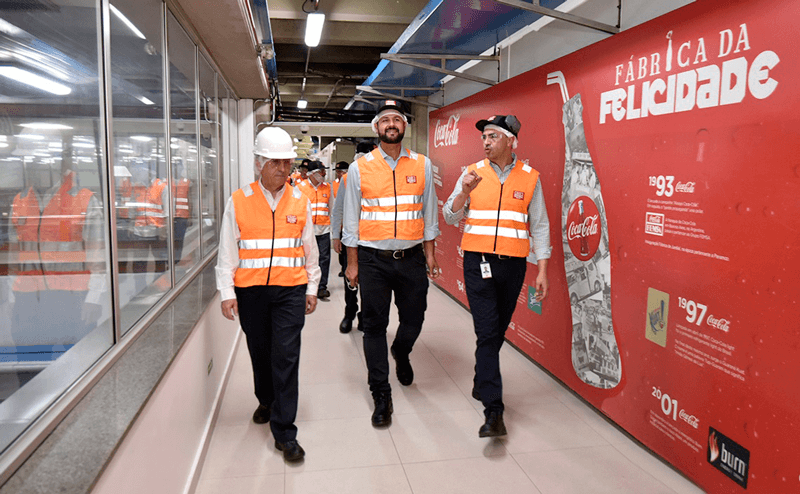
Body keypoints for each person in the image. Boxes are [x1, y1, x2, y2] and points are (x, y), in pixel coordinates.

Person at [215, 126, 320, 462]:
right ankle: (266, 398)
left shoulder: (300, 200)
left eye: (287, 163)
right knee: (260, 353)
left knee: (286, 356)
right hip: (251, 292)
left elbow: (309, 249)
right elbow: (227, 250)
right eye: (275, 163)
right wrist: (226, 291)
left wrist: (313, 286)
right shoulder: (239, 200)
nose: (283, 169)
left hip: (290, 289)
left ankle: (285, 431)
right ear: (259, 163)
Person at [443, 115, 551, 437]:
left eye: (492, 136)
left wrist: (542, 269)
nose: (486, 142)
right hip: (478, 263)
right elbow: (450, 216)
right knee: (488, 333)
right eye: (484, 137)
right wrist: (463, 191)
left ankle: (481, 379)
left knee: (497, 330)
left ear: (510, 141)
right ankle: (494, 410)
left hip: (513, 266)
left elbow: (541, 226)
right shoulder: (471, 174)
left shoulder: (531, 178)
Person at [342, 99, 440, 427]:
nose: (392, 124)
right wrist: (352, 264)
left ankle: (401, 350)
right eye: (385, 120)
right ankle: (381, 393)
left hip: (411, 257)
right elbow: (351, 221)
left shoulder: (422, 164)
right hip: (372, 260)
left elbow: (429, 214)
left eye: (397, 119)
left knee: (414, 319)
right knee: (373, 326)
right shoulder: (360, 168)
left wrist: (430, 254)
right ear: (377, 128)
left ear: (405, 127)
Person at [330, 159, 360, 333]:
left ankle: (365, 316)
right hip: (348, 237)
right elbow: (338, 209)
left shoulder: (380, 175)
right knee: (350, 277)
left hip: (372, 240)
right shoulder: (347, 179)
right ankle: (349, 314)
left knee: (371, 283)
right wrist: (335, 235)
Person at [297, 160, 332, 299]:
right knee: (306, 258)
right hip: (306, 231)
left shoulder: (327, 187)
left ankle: (322, 287)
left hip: (324, 229)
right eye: (320, 172)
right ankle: (306, 285)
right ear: (311, 174)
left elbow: (332, 208)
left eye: (324, 171)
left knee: (324, 259)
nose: (323, 174)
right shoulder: (300, 188)